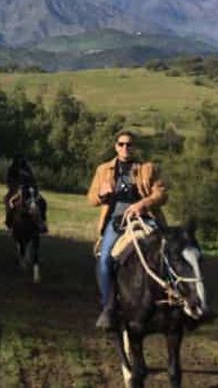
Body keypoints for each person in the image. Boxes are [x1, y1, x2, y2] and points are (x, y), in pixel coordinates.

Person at [87, 130, 168, 330]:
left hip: (144, 218)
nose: (125, 148)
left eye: (129, 144)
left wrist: (143, 204)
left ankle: (179, 301)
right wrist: (101, 194)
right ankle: (108, 307)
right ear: (116, 146)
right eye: (121, 144)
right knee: (104, 259)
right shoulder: (103, 169)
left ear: (134, 147)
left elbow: (162, 194)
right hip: (117, 221)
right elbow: (91, 199)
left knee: (168, 252)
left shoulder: (147, 168)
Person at [4, 154, 48, 233]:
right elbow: (8, 180)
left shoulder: (27, 169)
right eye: (19, 159)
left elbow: (33, 180)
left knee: (42, 201)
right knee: (9, 202)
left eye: (22, 159)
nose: (20, 161)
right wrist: (14, 187)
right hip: (15, 189)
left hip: (28, 189)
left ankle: (42, 221)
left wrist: (34, 186)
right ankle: (9, 223)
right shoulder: (12, 169)